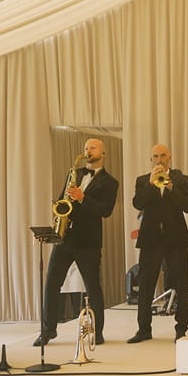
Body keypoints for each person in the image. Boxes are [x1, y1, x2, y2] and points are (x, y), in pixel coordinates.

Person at [35, 139, 119, 346]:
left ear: (103, 153)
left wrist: (82, 198)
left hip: (88, 241)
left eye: (92, 148)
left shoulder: (110, 182)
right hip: (65, 238)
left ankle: (97, 332)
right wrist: (59, 213)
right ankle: (48, 330)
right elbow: (61, 199)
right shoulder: (75, 173)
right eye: (86, 148)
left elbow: (105, 210)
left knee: (93, 287)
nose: (87, 151)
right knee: (51, 284)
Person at [128, 144, 188, 343]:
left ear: (169, 157)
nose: (159, 159)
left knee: (181, 284)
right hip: (151, 239)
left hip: (176, 239)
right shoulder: (142, 180)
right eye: (155, 156)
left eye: (163, 155)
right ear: (151, 159)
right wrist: (150, 183)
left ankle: (181, 329)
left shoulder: (181, 180)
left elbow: (187, 206)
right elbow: (138, 203)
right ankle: (143, 329)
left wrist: (171, 187)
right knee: (146, 285)